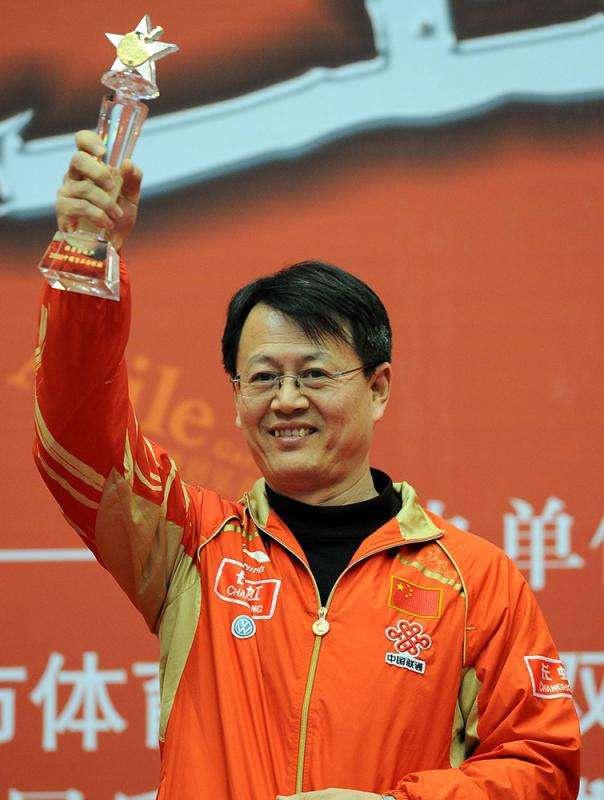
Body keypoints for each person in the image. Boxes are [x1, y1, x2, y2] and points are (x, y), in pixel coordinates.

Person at [34, 131, 581, 800]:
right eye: (263, 376)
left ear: (378, 389)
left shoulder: (475, 580)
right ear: (235, 396)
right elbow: (77, 436)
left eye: (315, 374)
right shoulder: (189, 544)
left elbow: (544, 767)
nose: (286, 400)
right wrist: (87, 261)